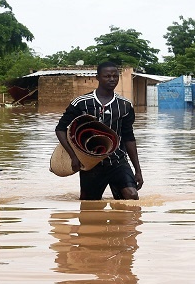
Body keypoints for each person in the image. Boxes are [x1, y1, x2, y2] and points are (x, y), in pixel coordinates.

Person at [55, 62, 144, 200]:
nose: (112, 79)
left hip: (118, 161)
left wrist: (137, 170)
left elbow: (129, 138)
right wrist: (73, 156)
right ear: (97, 78)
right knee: (88, 206)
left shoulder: (125, 105)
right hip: (90, 164)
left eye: (115, 76)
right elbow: (60, 129)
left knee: (131, 196)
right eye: (107, 76)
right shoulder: (81, 103)